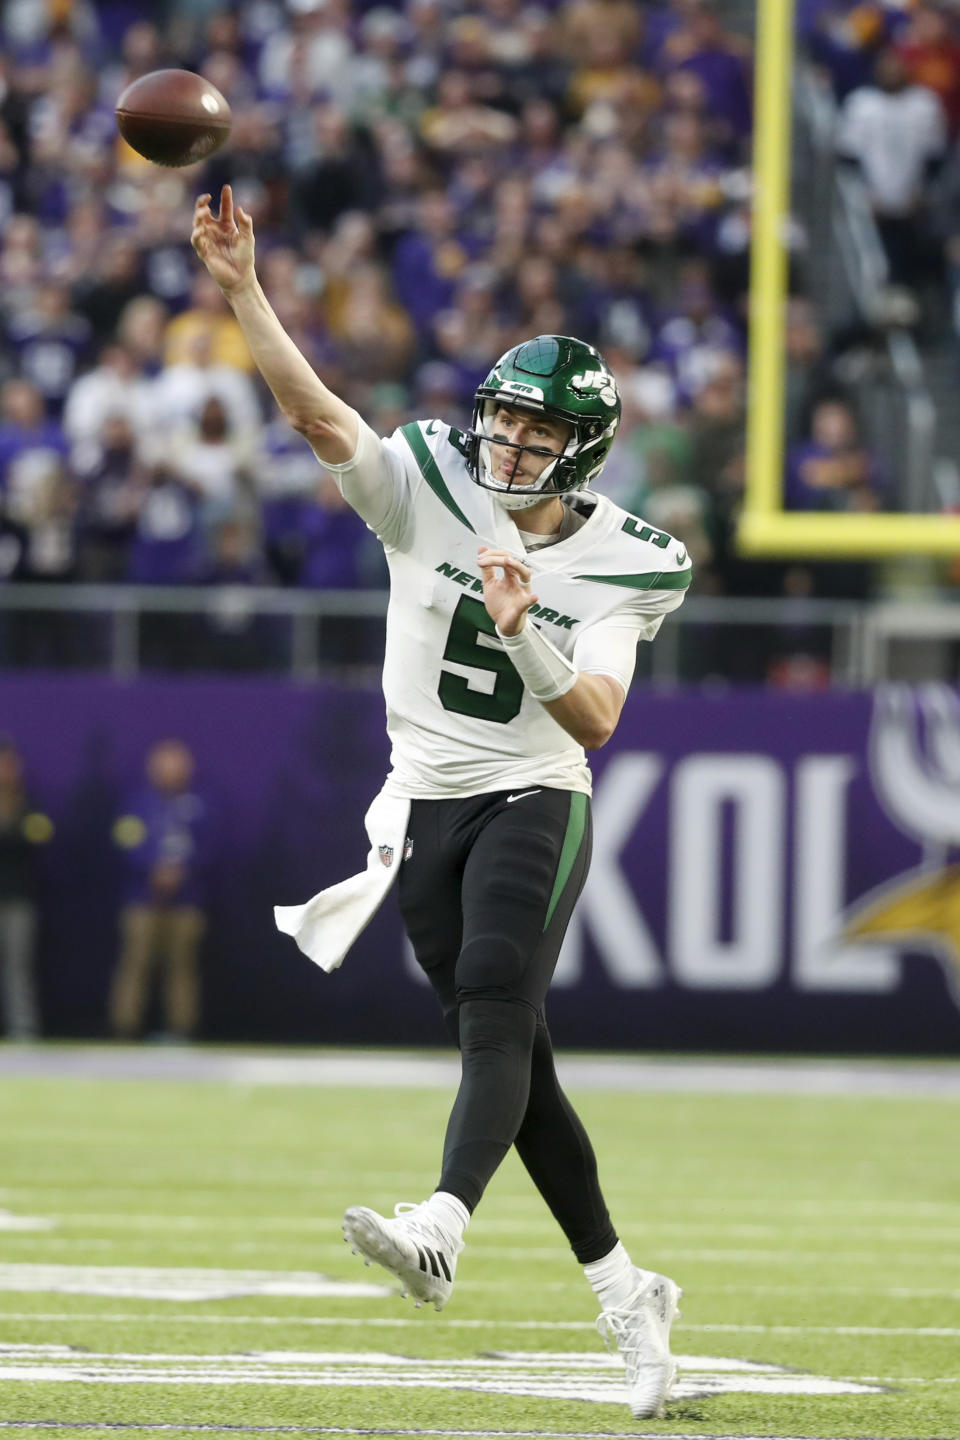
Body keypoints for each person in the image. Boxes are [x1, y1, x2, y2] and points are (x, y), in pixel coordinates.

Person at [191, 185, 691, 1420]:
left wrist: (528, 637)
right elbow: (317, 416)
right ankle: (629, 1295)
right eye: (502, 422)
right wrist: (246, 291)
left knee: (492, 1003)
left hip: (535, 789)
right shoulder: (426, 479)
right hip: (420, 802)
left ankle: (443, 1225)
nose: (506, 446)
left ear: (581, 450)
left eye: (532, 433)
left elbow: (595, 723)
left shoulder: (635, 557)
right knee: (517, 1057)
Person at [109, 738, 210, 1043]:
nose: (171, 771)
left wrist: (182, 872)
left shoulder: (202, 803)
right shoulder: (137, 804)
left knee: (182, 966)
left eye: (177, 764)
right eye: (164, 764)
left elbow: (213, 844)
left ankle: (182, 1029)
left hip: (187, 899)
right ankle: (125, 1029)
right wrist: (151, 870)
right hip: (142, 897)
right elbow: (125, 842)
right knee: (134, 963)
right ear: (152, 768)